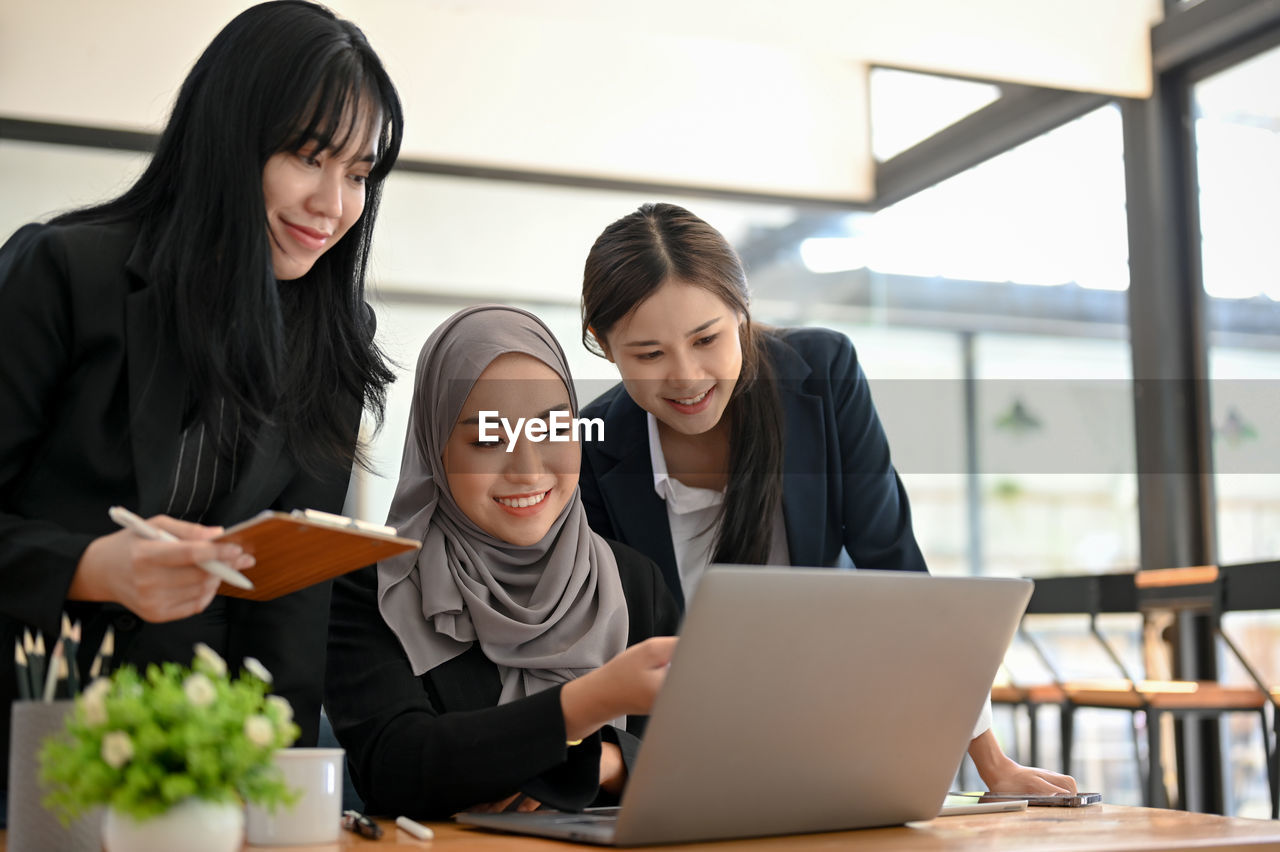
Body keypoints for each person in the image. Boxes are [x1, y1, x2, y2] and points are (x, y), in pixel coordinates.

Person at [0, 0, 403, 816]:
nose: (333, 203)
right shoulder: (62, 273)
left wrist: (276, 792)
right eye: (307, 156)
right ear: (229, 136)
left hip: (198, 758)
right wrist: (91, 566)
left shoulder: (332, 328)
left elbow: (290, 590)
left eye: (359, 174)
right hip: (34, 738)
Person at [577, 202, 1077, 795]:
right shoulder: (593, 444)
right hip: (679, 762)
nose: (686, 377)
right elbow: (605, 637)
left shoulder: (821, 373)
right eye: (649, 355)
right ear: (604, 347)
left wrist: (993, 765)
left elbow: (894, 569)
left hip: (832, 733)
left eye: (706, 338)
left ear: (741, 310)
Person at [324, 305, 679, 818]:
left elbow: (697, 764)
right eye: (490, 438)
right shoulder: (374, 582)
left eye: (553, 430)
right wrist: (590, 705)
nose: (528, 470)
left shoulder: (631, 581)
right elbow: (395, 768)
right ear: (434, 447)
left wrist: (603, 764)